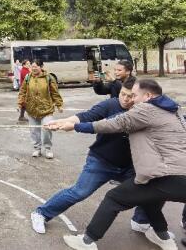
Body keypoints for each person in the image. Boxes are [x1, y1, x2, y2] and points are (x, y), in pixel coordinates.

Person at [57, 79, 186, 250]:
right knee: (150, 199)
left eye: (135, 95)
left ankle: (87, 241)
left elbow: (115, 123)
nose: (132, 100)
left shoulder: (147, 109)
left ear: (147, 96)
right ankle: (162, 237)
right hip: (179, 178)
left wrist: (76, 126)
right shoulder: (173, 109)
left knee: (113, 198)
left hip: (167, 176)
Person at [30, 77, 150, 234]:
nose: (126, 99)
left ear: (140, 96)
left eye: (131, 96)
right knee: (79, 192)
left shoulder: (144, 110)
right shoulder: (110, 104)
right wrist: (63, 122)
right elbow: (86, 116)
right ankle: (41, 213)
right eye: (123, 94)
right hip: (102, 161)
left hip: (131, 165)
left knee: (151, 189)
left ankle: (141, 221)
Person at [17, 59, 63, 159]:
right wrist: (19, 104)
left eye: (35, 66)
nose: (33, 68)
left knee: (46, 130)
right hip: (32, 109)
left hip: (46, 109)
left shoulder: (48, 78)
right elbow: (22, 91)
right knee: (34, 131)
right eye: (32, 66)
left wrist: (59, 105)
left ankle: (48, 149)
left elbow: (55, 92)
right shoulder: (28, 77)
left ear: (41, 67)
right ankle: (37, 149)